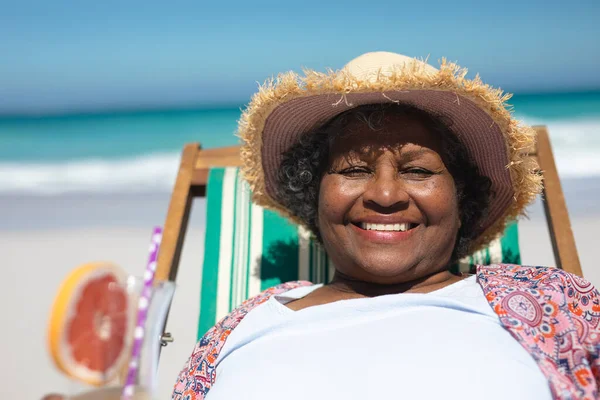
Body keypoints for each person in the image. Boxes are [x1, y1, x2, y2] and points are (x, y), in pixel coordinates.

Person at [171, 52, 600, 399]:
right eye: (354, 169)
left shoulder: (550, 299)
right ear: (313, 192)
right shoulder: (241, 326)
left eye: (417, 171)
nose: (386, 194)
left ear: (462, 196)